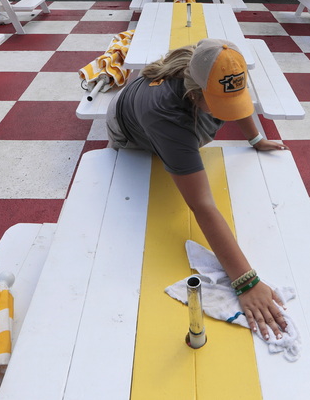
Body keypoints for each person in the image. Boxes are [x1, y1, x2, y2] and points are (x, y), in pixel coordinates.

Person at [106, 38, 290, 339]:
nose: (227, 114)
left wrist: (256, 139)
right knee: (134, 183)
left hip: (157, 109)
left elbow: (235, 100)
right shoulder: (167, 116)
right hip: (127, 129)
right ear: (193, 94)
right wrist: (246, 282)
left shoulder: (211, 67)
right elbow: (202, 205)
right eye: (219, 106)